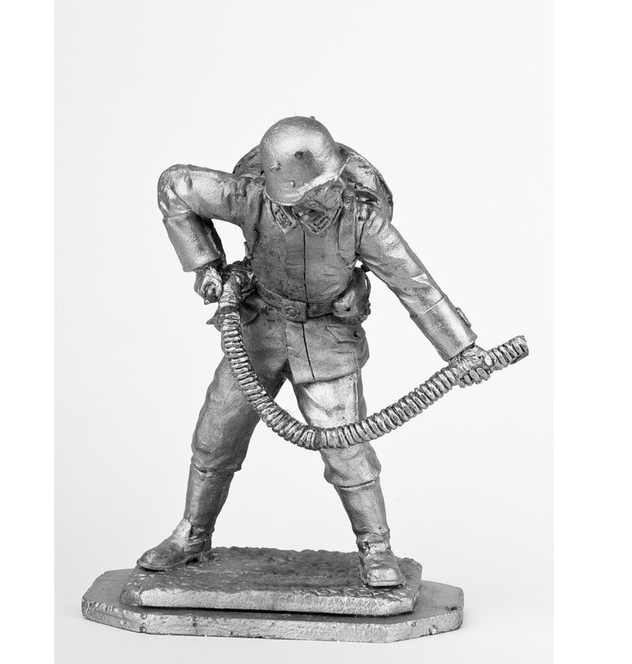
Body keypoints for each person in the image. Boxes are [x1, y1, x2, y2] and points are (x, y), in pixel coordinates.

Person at [137, 116, 491, 587]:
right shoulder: (251, 198)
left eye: (328, 184)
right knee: (214, 436)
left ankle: (377, 548)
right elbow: (175, 186)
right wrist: (206, 265)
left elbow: (416, 286)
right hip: (257, 333)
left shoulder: (361, 221)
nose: (325, 196)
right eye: (309, 191)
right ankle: (192, 535)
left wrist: (461, 350)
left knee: (346, 451)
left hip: (326, 341)